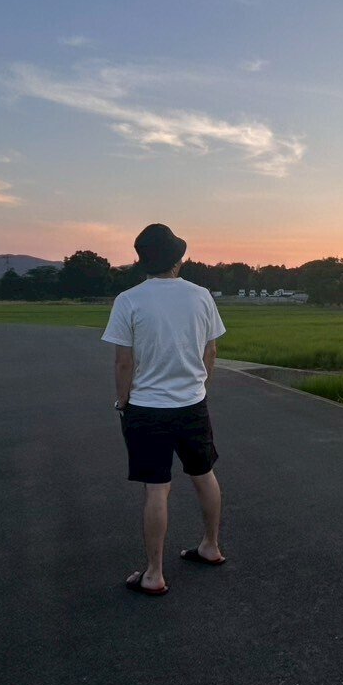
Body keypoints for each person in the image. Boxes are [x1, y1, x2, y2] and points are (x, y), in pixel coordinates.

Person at [102, 223, 228, 596]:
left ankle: (154, 574)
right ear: (177, 259)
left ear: (144, 261)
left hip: (147, 407)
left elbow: (123, 362)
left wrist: (122, 401)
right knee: (204, 474)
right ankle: (211, 546)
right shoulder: (201, 295)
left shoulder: (129, 300)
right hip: (192, 404)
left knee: (157, 488)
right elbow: (211, 351)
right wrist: (199, 387)